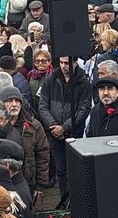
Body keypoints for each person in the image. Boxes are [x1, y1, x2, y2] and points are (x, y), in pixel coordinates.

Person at [37, 57, 91, 196]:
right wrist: (54, 126)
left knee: (74, 170)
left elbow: (84, 109)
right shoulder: (50, 80)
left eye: (67, 63)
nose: (63, 66)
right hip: (54, 133)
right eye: (61, 63)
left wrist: (65, 127)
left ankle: (75, 199)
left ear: (74, 63)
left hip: (74, 133)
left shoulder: (83, 82)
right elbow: (43, 106)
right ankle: (63, 197)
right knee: (60, 169)